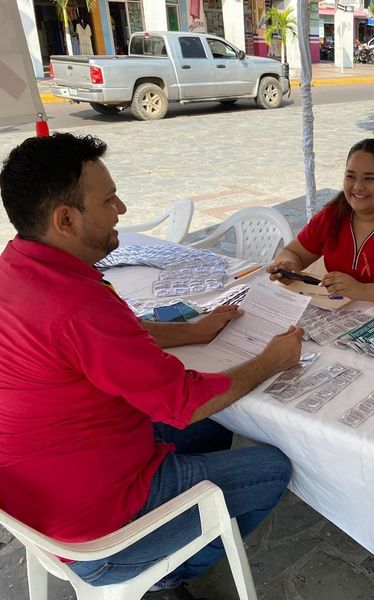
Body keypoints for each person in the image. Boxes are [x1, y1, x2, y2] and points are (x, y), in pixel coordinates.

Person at [0, 133, 303, 599]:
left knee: (215, 428)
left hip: (39, 493)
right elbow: (181, 401)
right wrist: (270, 361)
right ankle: (165, 573)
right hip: (98, 533)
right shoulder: (77, 305)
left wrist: (190, 331)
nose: (121, 209)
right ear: (65, 220)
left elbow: (99, 344)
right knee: (272, 466)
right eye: (108, 199)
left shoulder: (17, 266)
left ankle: (178, 528)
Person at [267, 138, 374, 303]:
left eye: (369, 178)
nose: (357, 187)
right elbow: (293, 252)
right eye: (350, 176)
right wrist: (289, 265)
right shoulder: (332, 216)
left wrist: (361, 291)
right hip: (339, 312)